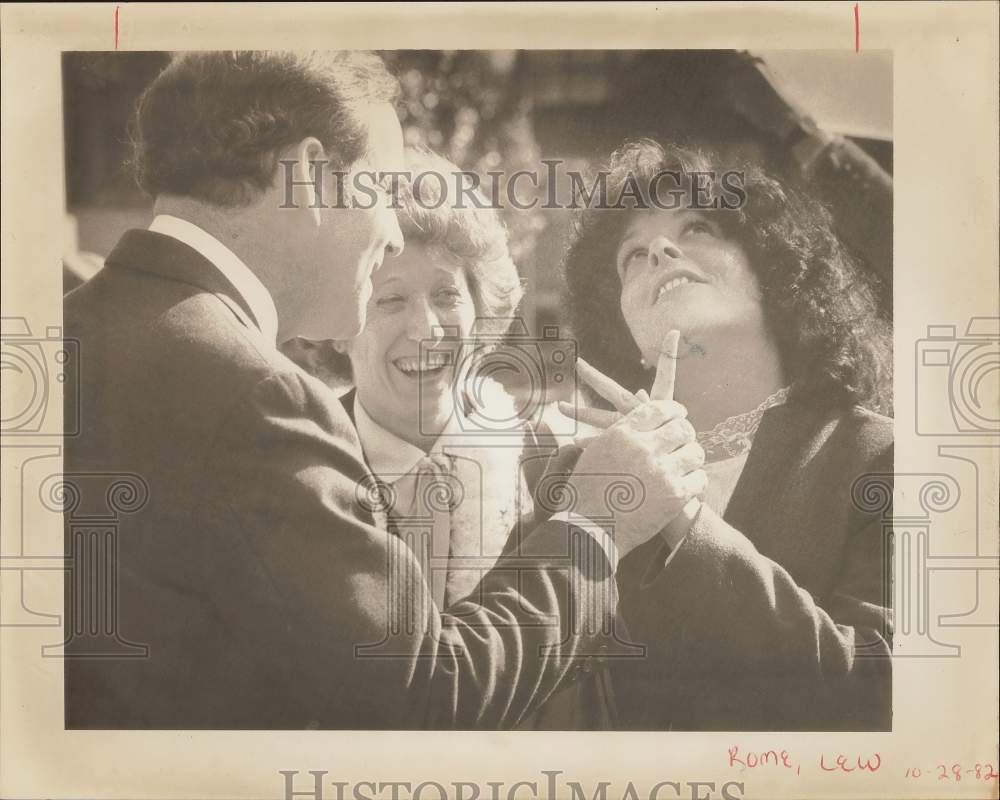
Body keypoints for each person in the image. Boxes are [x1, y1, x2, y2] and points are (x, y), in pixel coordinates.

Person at [62, 52, 704, 730]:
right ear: (310, 175)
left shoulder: (63, 334)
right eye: (382, 187)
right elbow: (423, 690)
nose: (392, 231)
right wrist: (599, 519)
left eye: (446, 295)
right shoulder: (260, 394)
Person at [562, 139, 893, 731]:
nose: (658, 249)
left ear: (775, 274)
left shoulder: (887, 456)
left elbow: (877, 693)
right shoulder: (570, 479)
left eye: (698, 228)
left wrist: (682, 516)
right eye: (631, 257)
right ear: (626, 334)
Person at [284, 147, 619, 728]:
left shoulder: (556, 465)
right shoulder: (296, 469)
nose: (427, 328)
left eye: (446, 295)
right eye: (389, 299)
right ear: (340, 326)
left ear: (481, 310)